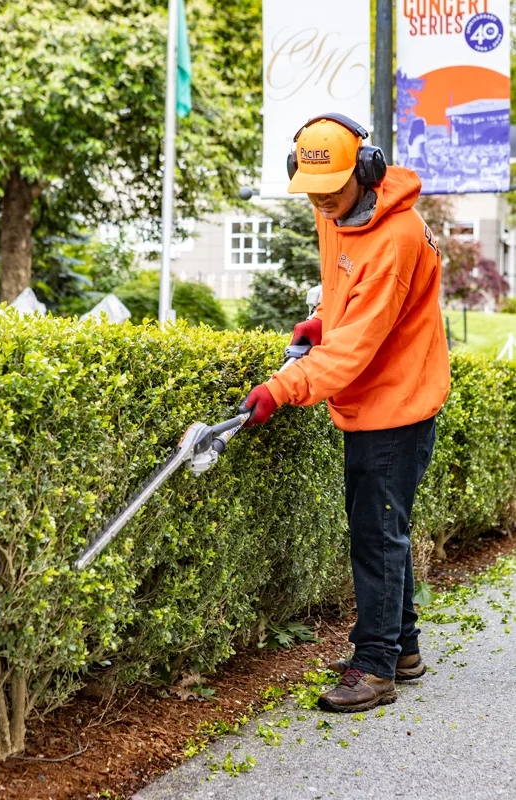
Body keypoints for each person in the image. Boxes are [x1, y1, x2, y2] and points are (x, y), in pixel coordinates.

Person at [239, 114, 450, 713]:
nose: (323, 204)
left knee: (377, 536)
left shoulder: (395, 237)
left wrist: (281, 388)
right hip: (371, 399)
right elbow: (345, 298)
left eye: (332, 191)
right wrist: (321, 321)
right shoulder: (336, 210)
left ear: (366, 170)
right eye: (312, 193)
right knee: (381, 529)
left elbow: (357, 346)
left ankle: (376, 667)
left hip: (396, 404)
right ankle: (403, 651)